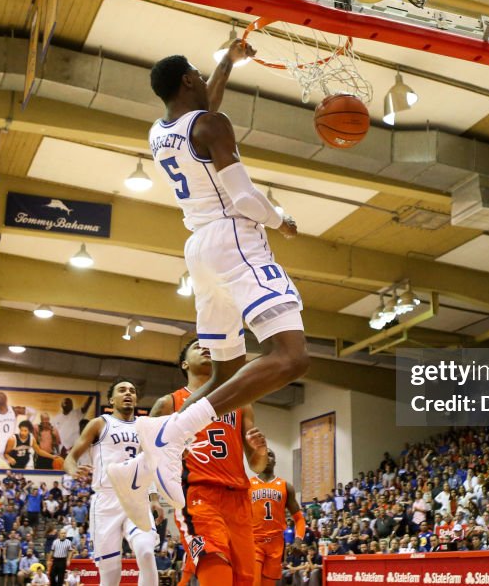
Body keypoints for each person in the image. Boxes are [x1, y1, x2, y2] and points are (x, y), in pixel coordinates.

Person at [119, 40, 310, 512]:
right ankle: (176, 433)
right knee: (291, 357)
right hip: (235, 239)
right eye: (200, 74)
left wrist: (227, 63)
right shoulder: (210, 124)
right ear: (187, 80)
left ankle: (151, 452)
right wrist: (281, 219)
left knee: (225, 371)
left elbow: (204, 113)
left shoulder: (160, 131)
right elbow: (245, 199)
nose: (205, 80)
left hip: (200, 249)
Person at [139, 339, 268, 586]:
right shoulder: (169, 403)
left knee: (245, 580)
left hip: (239, 499)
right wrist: (153, 495)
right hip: (197, 495)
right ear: (184, 363)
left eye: (209, 344)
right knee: (215, 567)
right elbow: (146, 454)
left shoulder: (241, 403)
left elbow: (257, 465)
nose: (206, 346)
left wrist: (260, 451)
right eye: (198, 345)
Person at [65, 380, 159, 586]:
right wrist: (73, 470)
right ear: (111, 399)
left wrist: (154, 498)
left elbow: (148, 464)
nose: (128, 394)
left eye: (132, 391)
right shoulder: (100, 423)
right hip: (106, 500)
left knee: (145, 551)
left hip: (136, 497)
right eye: (122, 390)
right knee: (110, 574)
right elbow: (70, 457)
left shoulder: (144, 426)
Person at [249, 449, 305, 586]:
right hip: (254, 541)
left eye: (270, 454)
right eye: (263, 455)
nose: (267, 457)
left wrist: (298, 540)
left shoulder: (286, 487)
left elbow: (299, 519)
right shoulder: (247, 484)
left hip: (276, 544)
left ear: (275, 461)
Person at [0, 393, 36, 468]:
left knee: (18, 465)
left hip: (10, 443)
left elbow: (33, 412)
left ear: (6, 399)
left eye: (2, 398)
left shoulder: (14, 410)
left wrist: (28, 424)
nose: (0, 400)